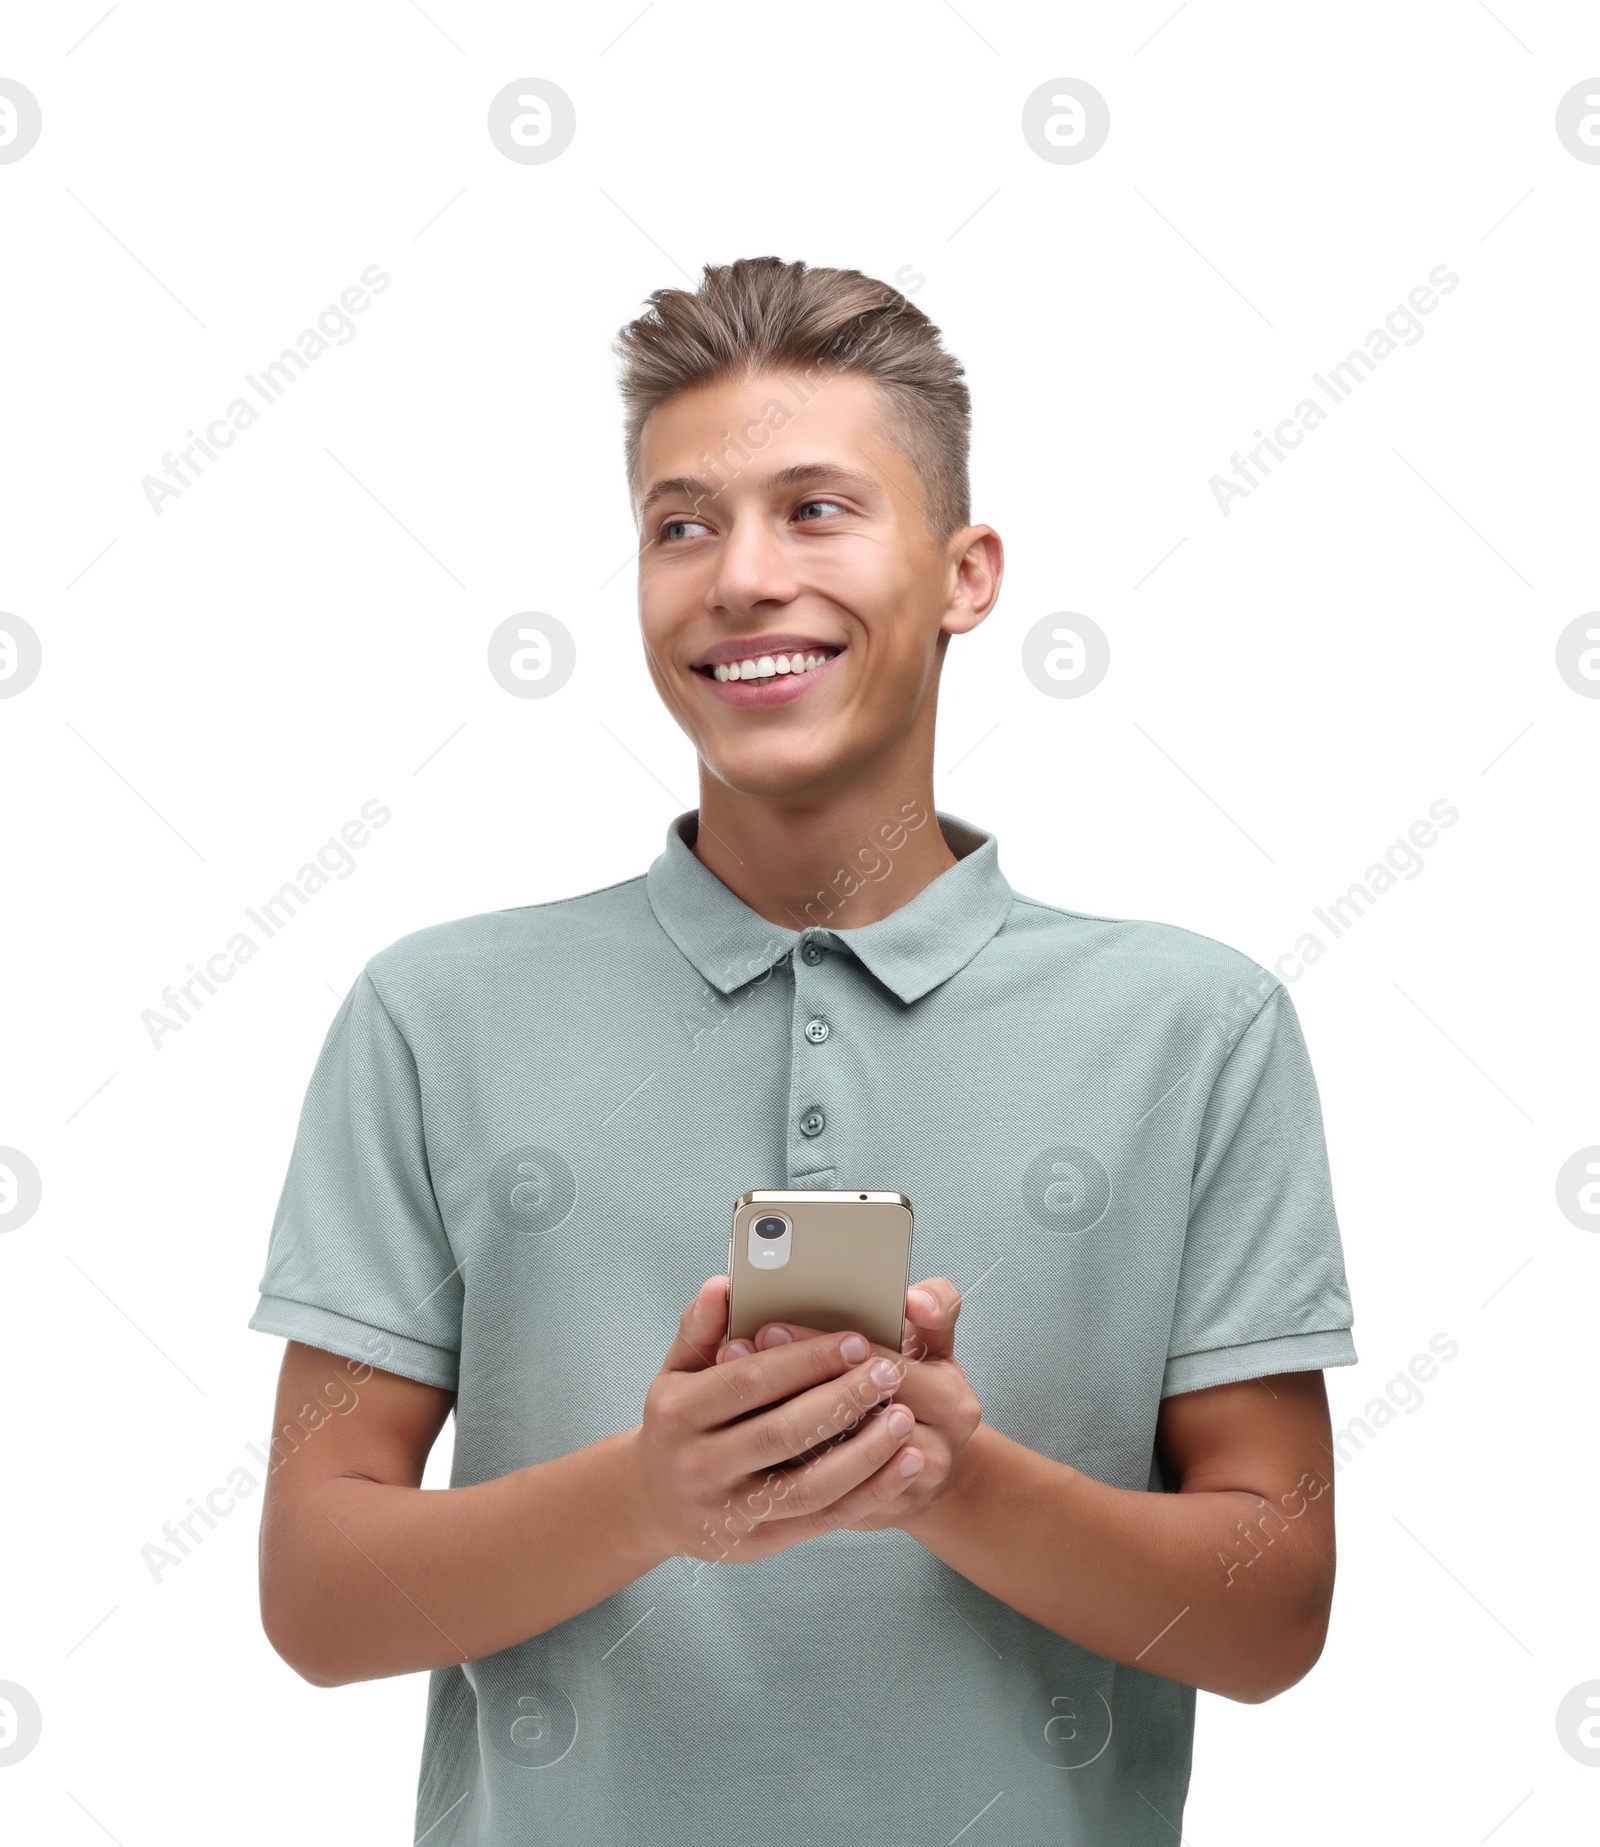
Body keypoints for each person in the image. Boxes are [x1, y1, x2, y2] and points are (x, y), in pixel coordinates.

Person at [248, 256, 1357, 1845]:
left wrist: (952, 1482)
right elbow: (317, 1595)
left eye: (818, 509)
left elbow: (1274, 1619)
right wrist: (653, 1494)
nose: (741, 577)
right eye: (680, 525)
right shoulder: (434, 1015)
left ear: (967, 574)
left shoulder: (1199, 1027)